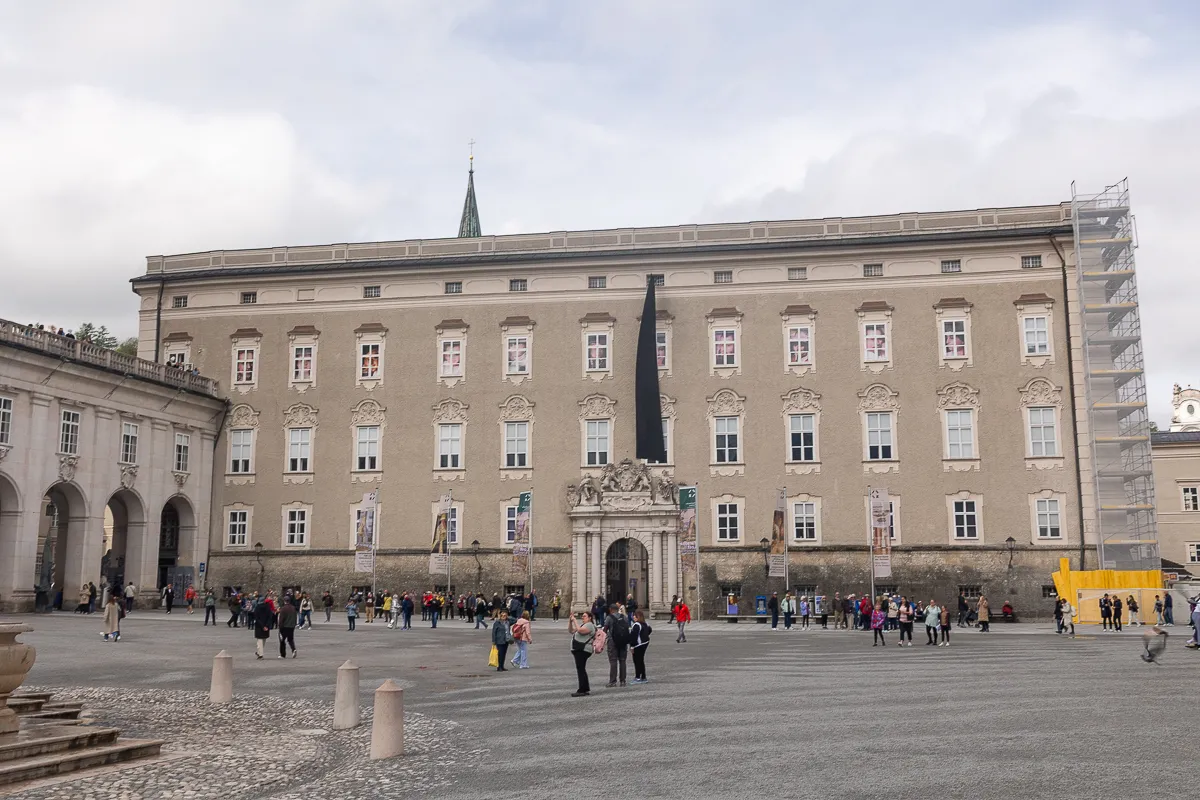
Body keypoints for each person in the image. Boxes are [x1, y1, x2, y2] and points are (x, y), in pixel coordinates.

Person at [568, 611, 596, 697]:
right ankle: (585, 688)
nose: (582, 617)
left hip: (583, 650)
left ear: (590, 617)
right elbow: (571, 631)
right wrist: (570, 621)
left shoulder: (590, 625)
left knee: (580, 669)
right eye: (582, 616)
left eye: (584, 616)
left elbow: (580, 631)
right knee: (581, 668)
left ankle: (582, 689)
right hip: (579, 649)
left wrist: (575, 620)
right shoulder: (583, 625)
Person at [604, 604, 629, 688]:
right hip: (623, 641)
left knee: (613, 661)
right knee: (622, 661)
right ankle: (623, 681)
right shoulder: (624, 617)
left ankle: (613, 681)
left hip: (612, 641)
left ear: (611, 609)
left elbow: (605, 629)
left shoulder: (609, 617)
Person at [630, 610, 651, 683]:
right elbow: (650, 630)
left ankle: (638, 677)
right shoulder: (645, 623)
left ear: (637, 617)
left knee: (637, 661)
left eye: (634, 616)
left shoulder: (636, 625)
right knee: (641, 660)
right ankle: (643, 677)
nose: (633, 617)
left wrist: (632, 647)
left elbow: (633, 637)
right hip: (645, 643)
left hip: (638, 645)